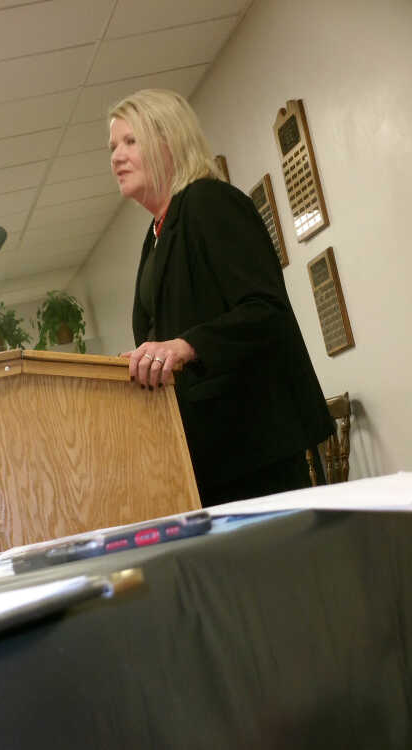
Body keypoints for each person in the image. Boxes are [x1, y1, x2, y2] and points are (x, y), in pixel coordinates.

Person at [109, 89, 334, 506]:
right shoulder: (155, 236)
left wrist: (185, 345)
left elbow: (266, 311)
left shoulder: (210, 202)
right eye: (113, 147)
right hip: (204, 458)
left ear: (169, 141)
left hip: (255, 452)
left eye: (130, 141)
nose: (116, 157)